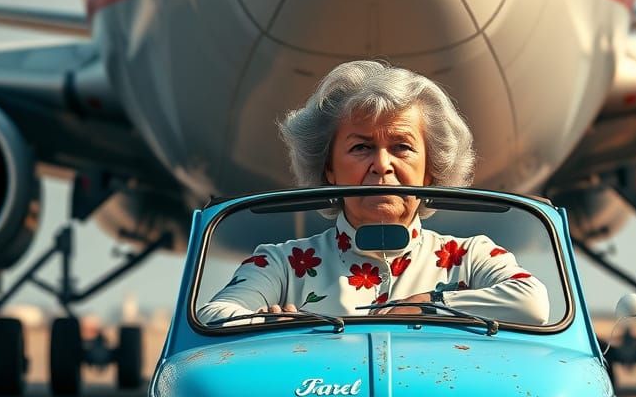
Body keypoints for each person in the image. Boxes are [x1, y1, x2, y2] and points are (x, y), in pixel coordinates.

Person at [198, 61, 549, 325]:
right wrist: (272, 325)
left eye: (401, 147)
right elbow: (215, 313)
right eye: (361, 147)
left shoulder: (470, 256)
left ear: (431, 170)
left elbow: (532, 302)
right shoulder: (283, 263)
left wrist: (426, 303)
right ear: (329, 170)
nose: (382, 165)